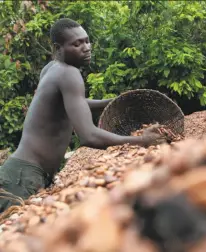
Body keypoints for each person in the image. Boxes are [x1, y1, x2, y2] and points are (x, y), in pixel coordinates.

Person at [0, 18, 166, 213]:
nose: (86, 47)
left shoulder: (52, 68)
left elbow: (72, 105)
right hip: (22, 177)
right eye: (76, 44)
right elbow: (89, 135)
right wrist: (142, 141)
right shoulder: (69, 74)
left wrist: (113, 102)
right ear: (58, 48)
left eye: (87, 41)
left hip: (22, 172)